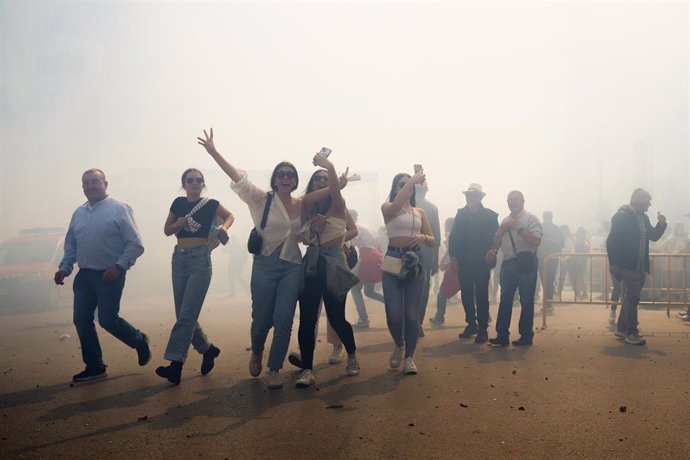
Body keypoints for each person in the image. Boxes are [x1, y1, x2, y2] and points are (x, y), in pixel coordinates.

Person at [198, 128, 307, 389]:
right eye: (281, 174)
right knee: (260, 321)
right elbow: (238, 178)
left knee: (284, 320)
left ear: (295, 180)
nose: (285, 177)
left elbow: (303, 235)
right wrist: (214, 152)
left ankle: (274, 369)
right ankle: (257, 350)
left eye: (290, 174)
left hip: (293, 265)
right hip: (265, 264)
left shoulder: (302, 205)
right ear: (275, 179)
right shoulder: (261, 199)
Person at [54, 168, 150, 382]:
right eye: (86, 183)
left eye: (94, 182)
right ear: (82, 188)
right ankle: (95, 366)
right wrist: (64, 268)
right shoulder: (78, 213)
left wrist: (119, 266)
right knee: (81, 319)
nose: (90, 187)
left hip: (110, 275)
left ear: (105, 183)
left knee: (107, 320)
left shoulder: (119, 209)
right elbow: (71, 246)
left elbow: (135, 245)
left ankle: (139, 340)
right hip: (84, 277)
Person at [155, 168, 235, 385]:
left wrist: (222, 227)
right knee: (183, 313)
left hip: (200, 258)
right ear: (184, 183)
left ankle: (175, 364)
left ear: (203, 184)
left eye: (198, 180)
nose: (194, 183)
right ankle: (208, 350)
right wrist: (178, 224)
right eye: (190, 180)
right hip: (179, 258)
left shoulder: (211, 204)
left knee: (187, 314)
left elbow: (230, 215)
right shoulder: (178, 203)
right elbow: (166, 230)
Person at [293, 155, 360, 388]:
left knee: (336, 317)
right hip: (312, 262)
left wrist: (330, 168)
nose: (322, 181)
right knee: (308, 318)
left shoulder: (338, 202)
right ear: (312, 184)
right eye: (318, 179)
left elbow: (351, 230)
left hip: (334, 263)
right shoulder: (308, 205)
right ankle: (307, 369)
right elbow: (303, 236)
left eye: (325, 179)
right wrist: (313, 227)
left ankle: (352, 355)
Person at [381, 171, 436, 374]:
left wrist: (423, 237)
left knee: (411, 315)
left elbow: (432, 239)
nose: (406, 187)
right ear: (395, 187)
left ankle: (409, 358)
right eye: (401, 184)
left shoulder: (419, 211)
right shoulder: (388, 208)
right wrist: (412, 180)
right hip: (393, 259)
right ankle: (399, 344)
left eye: (408, 184)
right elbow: (396, 206)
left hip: (415, 259)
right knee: (393, 314)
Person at [607, 188, 667, 345]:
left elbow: (653, 236)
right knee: (633, 297)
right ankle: (631, 332)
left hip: (640, 264)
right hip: (627, 264)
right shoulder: (622, 217)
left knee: (630, 297)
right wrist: (613, 263)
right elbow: (612, 241)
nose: (649, 205)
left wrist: (661, 224)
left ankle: (621, 328)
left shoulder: (644, 218)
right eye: (648, 202)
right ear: (639, 201)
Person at [489, 191, 542, 347]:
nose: (512, 203)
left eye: (515, 200)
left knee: (526, 300)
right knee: (505, 300)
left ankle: (526, 335)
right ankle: (502, 335)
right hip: (508, 263)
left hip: (525, 263)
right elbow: (496, 243)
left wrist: (519, 228)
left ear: (523, 201)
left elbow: (536, 241)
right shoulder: (505, 220)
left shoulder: (531, 219)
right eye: (509, 200)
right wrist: (501, 230)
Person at [447, 183, 499, 344]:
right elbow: (453, 239)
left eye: (474, 195)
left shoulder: (490, 216)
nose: (471, 198)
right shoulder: (460, 215)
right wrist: (453, 259)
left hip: (482, 262)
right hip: (465, 263)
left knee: (482, 296)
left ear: (480, 197)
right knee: (466, 295)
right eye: (469, 195)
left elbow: (497, 238)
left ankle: (483, 329)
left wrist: (494, 250)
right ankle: (471, 324)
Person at [349, 209, 385, 328]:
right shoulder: (366, 227)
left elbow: (351, 245)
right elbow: (378, 245)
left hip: (366, 257)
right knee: (369, 292)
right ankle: (392, 304)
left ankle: (363, 319)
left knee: (354, 289)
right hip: (375, 257)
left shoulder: (354, 228)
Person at [414, 182, 441, 337]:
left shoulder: (430, 208)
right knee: (421, 290)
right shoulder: (430, 208)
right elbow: (436, 237)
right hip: (421, 252)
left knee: (418, 290)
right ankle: (416, 323)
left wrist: (435, 261)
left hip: (421, 252)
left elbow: (435, 237)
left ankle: (415, 324)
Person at [429, 217, 459, 325]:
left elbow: (450, 250)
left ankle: (439, 317)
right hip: (462, 267)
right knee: (472, 294)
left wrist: (442, 261)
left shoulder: (451, 234)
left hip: (455, 267)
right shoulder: (462, 234)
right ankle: (485, 316)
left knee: (442, 293)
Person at [537, 211, 564, 309]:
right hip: (553, 258)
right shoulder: (556, 229)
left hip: (541, 258)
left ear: (543, 217)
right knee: (550, 280)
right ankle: (549, 301)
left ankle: (548, 302)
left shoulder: (539, 227)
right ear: (552, 217)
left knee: (545, 280)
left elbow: (536, 242)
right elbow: (562, 244)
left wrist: (542, 252)